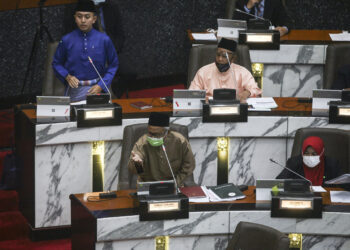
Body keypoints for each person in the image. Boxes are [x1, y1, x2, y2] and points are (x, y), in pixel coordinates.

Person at [52, 0, 119, 102]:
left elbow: (113, 65)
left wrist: (101, 85)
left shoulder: (104, 39)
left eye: (87, 17)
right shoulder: (66, 40)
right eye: (79, 16)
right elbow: (56, 63)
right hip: (74, 91)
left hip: (97, 89)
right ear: (75, 18)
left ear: (94, 19)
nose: (83, 20)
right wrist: (67, 76)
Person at [128, 112, 195, 187]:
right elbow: (136, 171)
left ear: (166, 132)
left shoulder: (180, 141)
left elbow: (189, 165)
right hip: (148, 186)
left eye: (156, 134)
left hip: (174, 185)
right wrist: (138, 164)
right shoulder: (143, 142)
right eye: (150, 133)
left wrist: (176, 183)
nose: (152, 137)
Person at [189, 38, 262, 101]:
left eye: (224, 56)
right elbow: (192, 93)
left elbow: (256, 90)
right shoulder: (203, 72)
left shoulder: (243, 72)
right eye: (218, 55)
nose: (220, 59)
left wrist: (246, 93)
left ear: (233, 59)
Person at [277, 136, 343, 186]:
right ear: (302, 152)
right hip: (301, 199)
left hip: (325, 200)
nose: (310, 156)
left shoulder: (332, 164)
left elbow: (344, 185)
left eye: (314, 154)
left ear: (321, 153)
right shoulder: (294, 162)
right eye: (306, 153)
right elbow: (278, 183)